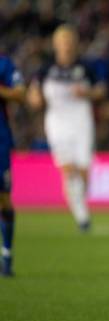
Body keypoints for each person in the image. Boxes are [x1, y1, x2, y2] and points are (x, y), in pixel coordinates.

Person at [27, 25, 107, 232]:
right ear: (56, 45)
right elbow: (34, 92)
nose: (66, 46)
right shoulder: (45, 69)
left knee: (83, 170)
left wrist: (87, 94)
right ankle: (82, 217)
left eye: (69, 41)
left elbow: (101, 90)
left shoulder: (85, 67)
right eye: (62, 42)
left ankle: (80, 206)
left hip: (81, 121)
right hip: (57, 122)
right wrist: (34, 97)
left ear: (75, 44)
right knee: (68, 168)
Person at [0, 55, 25, 276]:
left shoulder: (5, 64)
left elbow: (20, 93)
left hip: (0, 140)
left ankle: (6, 254)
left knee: (4, 199)